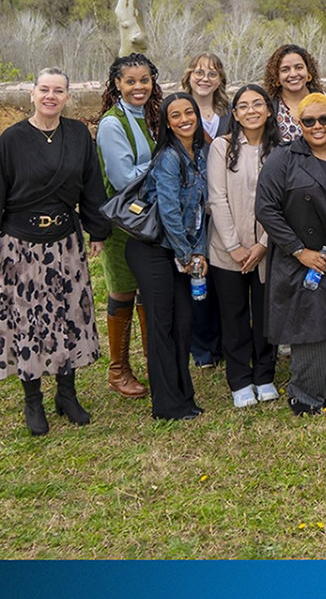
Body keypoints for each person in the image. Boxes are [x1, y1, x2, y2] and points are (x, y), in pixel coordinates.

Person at [0, 69, 111, 436]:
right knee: (27, 322)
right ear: (32, 95)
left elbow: (92, 184)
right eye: (45, 90)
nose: (51, 96)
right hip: (20, 246)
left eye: (59, 91)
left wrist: (97, 228)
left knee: (68, 316)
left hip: (65, 242)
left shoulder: (79, 134)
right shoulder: (12, 139)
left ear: (68, 97)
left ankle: (67, 394)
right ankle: (32, 399)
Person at [254, 91, 326, 415]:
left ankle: (324, 390)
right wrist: (298, 250)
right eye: (309, 120)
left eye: (325, 118)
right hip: (305, 253)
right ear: (298, 122)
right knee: (310, 323)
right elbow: (266, 209)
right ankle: (302, 395)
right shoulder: (284, 158)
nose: (317, 126)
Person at [128, 93, 210, 421]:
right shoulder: (168, 158)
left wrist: (199, 251)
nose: (184, 119)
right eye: (175, 115)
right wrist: (187, 254)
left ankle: (184, 396)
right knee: (162, 325)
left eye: (188, 112)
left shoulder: (201, 155)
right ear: (167, 122)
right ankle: (166, 404)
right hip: (151, 249)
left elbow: (203, 212)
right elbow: (170, 211)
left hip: (180, 252)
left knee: (184, 322)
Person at [206, 84, 281, 409]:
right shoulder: (222, 148)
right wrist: (234, 246)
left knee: (266, 315)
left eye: (258, 104)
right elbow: (216, 199)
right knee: (234, 315)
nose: (251, 111)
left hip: (267, 250)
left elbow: (283, 202)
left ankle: (264, 375)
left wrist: (264, 244)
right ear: (234, 114)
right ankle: (239, 380)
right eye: (244, 106)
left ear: (268, 110)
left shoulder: (281, 149)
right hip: (228, 250)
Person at [95, 52, 162, 400]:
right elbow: (123, 179)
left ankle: (156, 365)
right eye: (130, 81)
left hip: (149, 220)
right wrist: (165, 169)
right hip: (123, 222)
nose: (139, 87)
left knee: (148, 293)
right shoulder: (112, 124)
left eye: (144, 80)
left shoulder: (149, 116)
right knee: (122, 291)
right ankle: (118, 370)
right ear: (117, 84)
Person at [179, 52, 228, 371]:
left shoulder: (228, 114)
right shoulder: (179, 110)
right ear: (189, 75)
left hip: (223, 202)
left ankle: (223, 339)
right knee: (196, 276)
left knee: (223, 276)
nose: (205, 78)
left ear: (220, 79)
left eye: (212, 73)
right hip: (191, 208)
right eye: (199, 72)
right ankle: (202, 346)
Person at [264, 43, 326, 146]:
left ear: (308, 71)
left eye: (299, 67)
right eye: (285, 70)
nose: (293, 74)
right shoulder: (270, 108)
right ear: (276, 76)